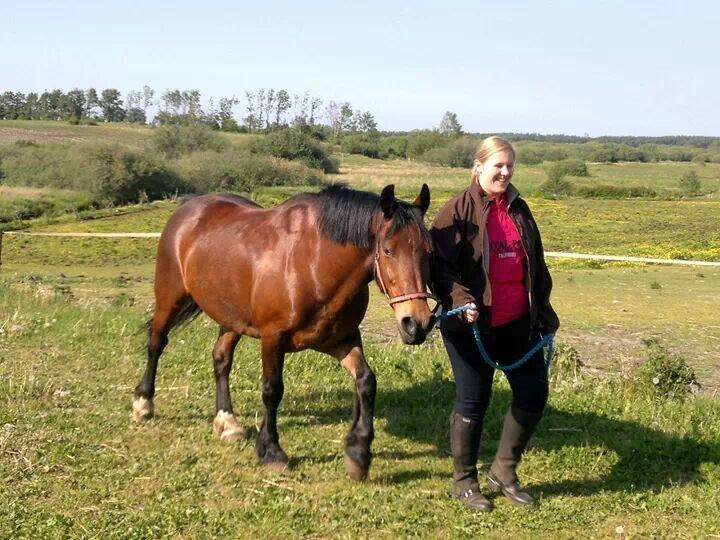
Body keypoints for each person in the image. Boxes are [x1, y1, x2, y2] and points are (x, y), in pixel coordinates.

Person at [430, 136, 559, 512]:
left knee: (533, 392)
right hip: (471, 326)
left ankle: (504, 471)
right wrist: (459, 300)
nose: (504, 172)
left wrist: (545, 313)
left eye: (509, 166)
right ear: (478, 167)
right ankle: (464, 481)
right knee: (474, 399)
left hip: (518, 322)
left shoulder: (520, 209)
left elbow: (536, 264)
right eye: (497, 165)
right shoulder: (456, 210)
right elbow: (438, 268)